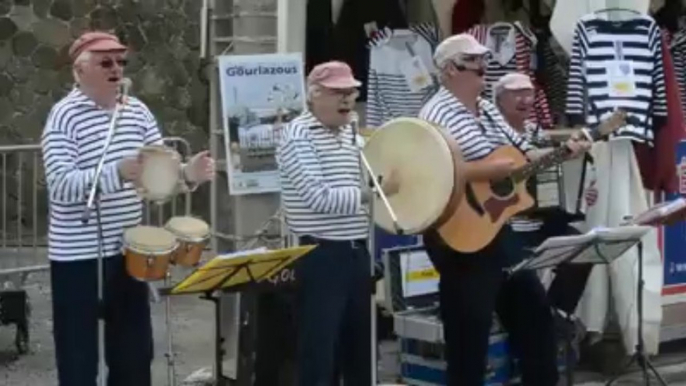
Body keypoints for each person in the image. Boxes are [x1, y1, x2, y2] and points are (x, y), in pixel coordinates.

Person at [41, 31, 215, 386]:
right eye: (106, 62)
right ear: (79, 71)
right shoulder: (63, 117)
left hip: (129, 250)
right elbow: (60, 185)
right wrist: (115, 172)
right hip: (77, 257)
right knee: (78, 360)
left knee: (134, 356)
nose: (116, 69)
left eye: (121, 61)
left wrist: (187, 175)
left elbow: (158, 177)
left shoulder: (137, 112)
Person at [417, 34, 590, 386]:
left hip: (497, 228)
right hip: (460, 233)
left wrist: (562, 152)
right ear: (451, 69)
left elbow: (522, 155)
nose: (484, 68)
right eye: (475, 61)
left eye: (485, 60)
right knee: (470, 340)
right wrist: (489, 172)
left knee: (536, 317)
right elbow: (433, 170)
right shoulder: (433, 113)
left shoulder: (488, 107)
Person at [277, 61, 395, 386]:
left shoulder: (352, 136)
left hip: (357, 252)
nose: (347, 100)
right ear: (313, 95)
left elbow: (368, 187)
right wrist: (371, 193)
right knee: (319, 354)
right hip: (319, 255)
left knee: (361, 352)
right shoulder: (297, 135)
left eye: (351, 92)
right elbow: (320, 198)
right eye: (338, 92)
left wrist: (373, 190)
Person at [493, 72, 594, 322]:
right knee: (520, 281)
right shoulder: (491, 132)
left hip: (544, 219)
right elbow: (525, 164)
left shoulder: (536, 132)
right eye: (516, 94)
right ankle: (540, 322)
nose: (524, 99)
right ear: (498, 100)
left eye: (528, 93)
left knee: (584, 248)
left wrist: (586, 190)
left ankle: (556, 314)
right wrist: (561, 153)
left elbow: (556, 168)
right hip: (505, 224)